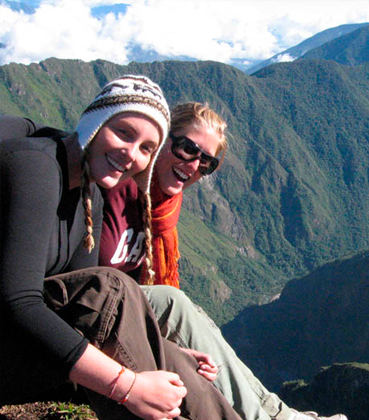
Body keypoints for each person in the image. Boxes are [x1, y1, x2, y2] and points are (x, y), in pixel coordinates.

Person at [0, 76, 241, 420]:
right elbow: (18, 303)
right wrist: (127, 386)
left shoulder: (91, 196)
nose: (131, 153)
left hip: (26, 351)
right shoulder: (36, 168)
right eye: (124, 133)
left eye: (146, 148)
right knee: (113, 287)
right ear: (95, 122)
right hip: (12, 349)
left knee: (174, 360)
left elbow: (81, 309)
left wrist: (165, 352)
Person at [99, 102, 348, 420]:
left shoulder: (163, 208)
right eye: (188, 148)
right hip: (99, 314)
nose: (193, 165)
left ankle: (281, 414)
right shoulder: (112, 184)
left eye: (206, 162)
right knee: (173, 304)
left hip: (127, 313)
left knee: (198, 318)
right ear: (162, 138)